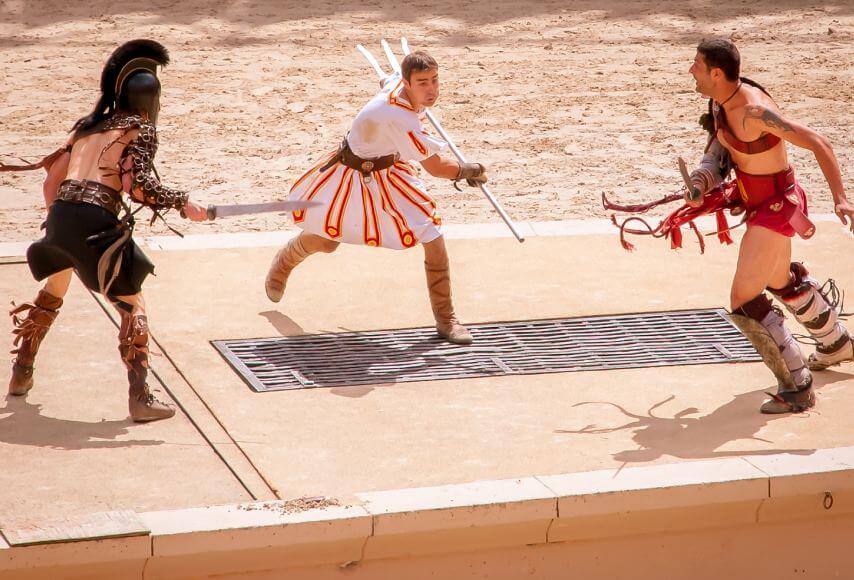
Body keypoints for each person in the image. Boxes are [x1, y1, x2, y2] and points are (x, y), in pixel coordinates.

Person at [3, 39, 207, 422]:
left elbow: (51, 184)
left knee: (54, 286)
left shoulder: (86, 127)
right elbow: (136, 186)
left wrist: (62, 222)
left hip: (61, 214)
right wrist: (183, 202)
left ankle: (22, 372)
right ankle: (140, 398)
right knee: (133, 306)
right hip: (95, 221)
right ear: (152, 100)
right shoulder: (140, 129)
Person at [265, 51, 488, 344]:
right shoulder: (397, 116)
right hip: (348, 175)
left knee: (433, 236)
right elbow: (437, 169)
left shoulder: (398, 85)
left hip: (389, 171)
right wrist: (471, 169)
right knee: (327, 240)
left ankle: (446, 319)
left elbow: (389, 79)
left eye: (435, 80)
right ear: (408, 83)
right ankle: (284, 261)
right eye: (422, 83)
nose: (431, 89)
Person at [686, 37, 853, 413]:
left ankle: (797, 386)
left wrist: (840, 198)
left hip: (775, 208)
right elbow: (720, 147)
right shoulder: (720, 100)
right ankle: (836, 343)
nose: (690, 71)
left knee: (743, 299)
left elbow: (819, 142)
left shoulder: (754, 111)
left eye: (695, 64)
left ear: (716, 72)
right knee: (780, 281)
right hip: (760, 204)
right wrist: (701, 181)